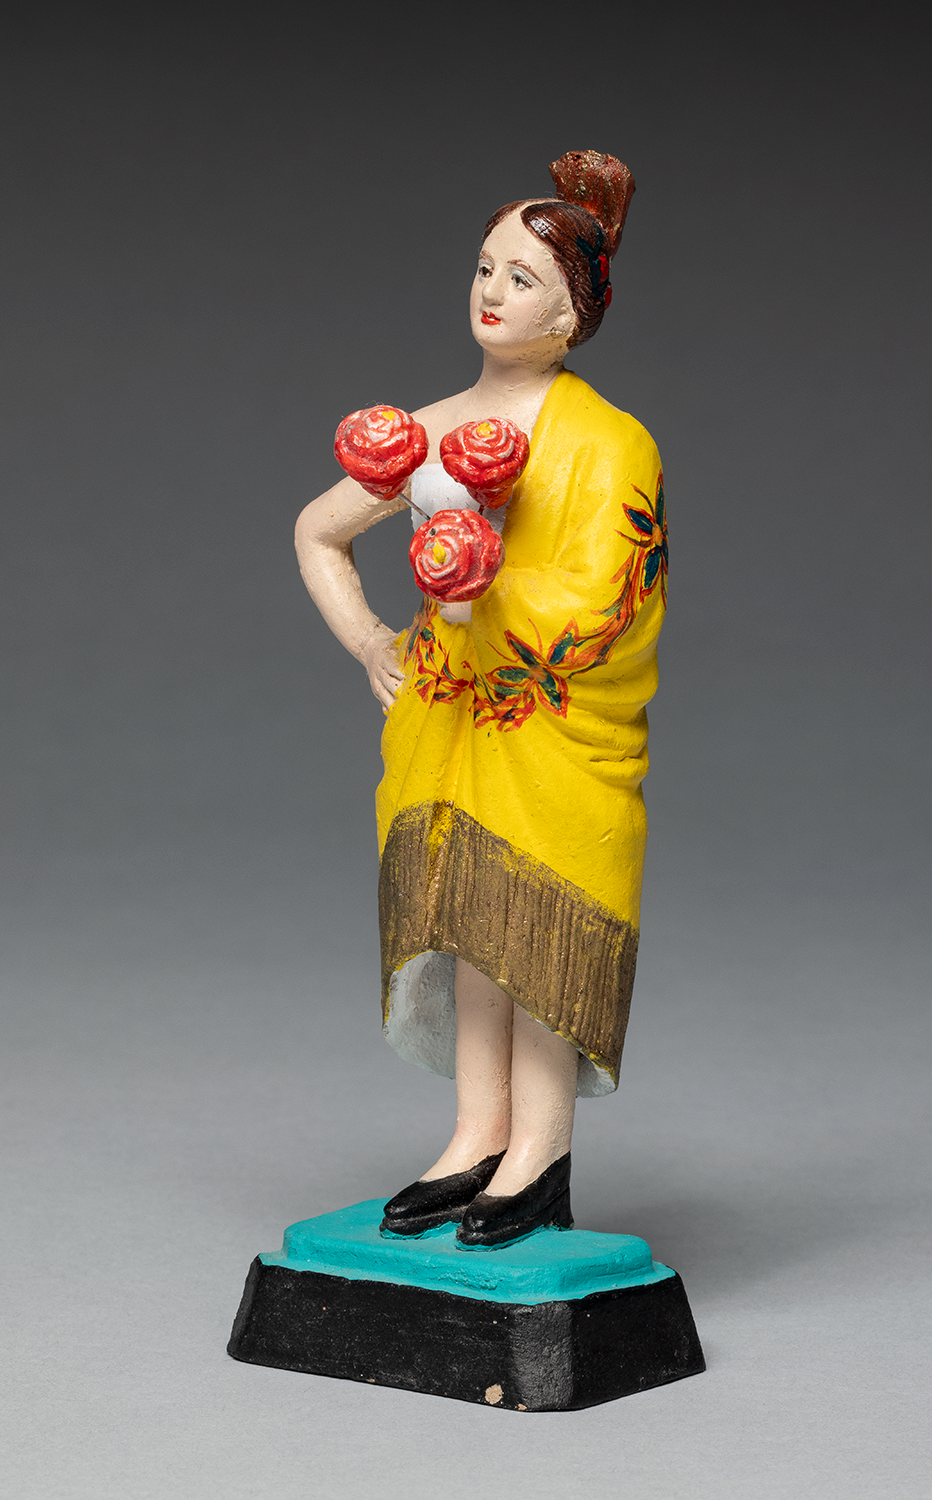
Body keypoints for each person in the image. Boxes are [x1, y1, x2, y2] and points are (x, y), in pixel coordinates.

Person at [294, 150, 667, 1248]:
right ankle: (476, 1136)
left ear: (572, 314)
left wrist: (479, 577)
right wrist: (374, 643)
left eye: (521, 278)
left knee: (539, 925)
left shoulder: (611, 443)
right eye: (484, 267)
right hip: (447, 718)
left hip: (552, 729)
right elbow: (317, 532)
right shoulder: (426, 429)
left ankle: (539, 1151)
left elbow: (614, 598)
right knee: (466, 921)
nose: (492, 292)